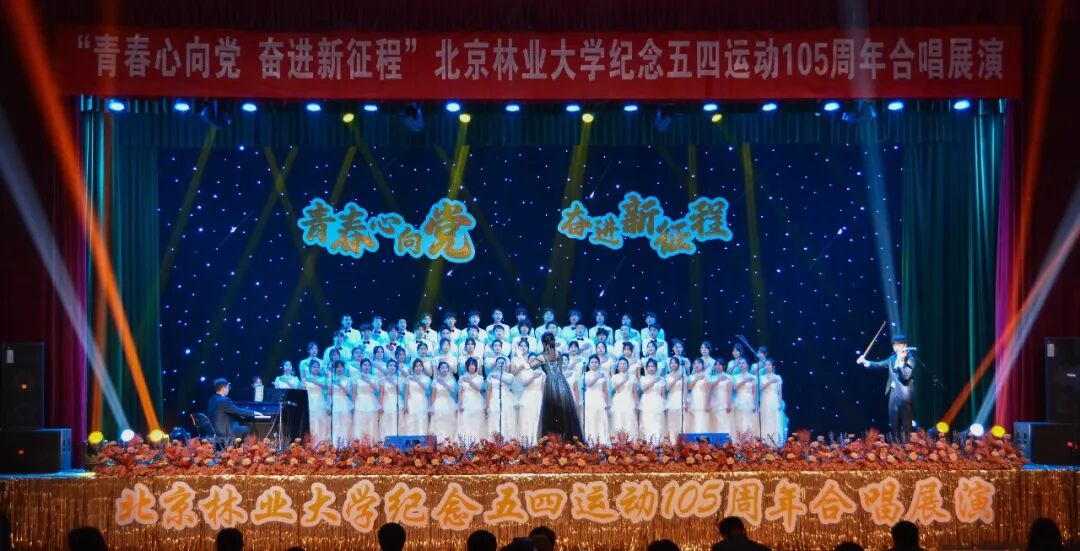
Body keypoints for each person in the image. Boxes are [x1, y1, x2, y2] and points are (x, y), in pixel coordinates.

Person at [857, 334, 916, 439]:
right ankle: (895, 445)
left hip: (904, 395)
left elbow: (906, 376)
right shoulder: (892, 358)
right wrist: (865, 362)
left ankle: (910, 446)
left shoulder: (910, 359)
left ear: (905, 345)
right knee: (894, 425)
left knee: (907, 426)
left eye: (899, 344)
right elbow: (879, 364)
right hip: (893, 394)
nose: (896, 347)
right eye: (895, 345)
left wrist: (901, 361)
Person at [533, 332, 586, 442]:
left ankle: (553, 441)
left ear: (543, 343)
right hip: (562, 384)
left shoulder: (542, 356)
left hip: (551, 385)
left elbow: (531, 366)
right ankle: (566, 440)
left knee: (552, 412)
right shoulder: (559, 354)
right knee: (564, 412)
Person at [517, 351, 547, 441]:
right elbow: (524, 384)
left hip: (538, 396)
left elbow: (543, 388)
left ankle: (536, 439)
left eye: (535, 360)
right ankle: (525, 439)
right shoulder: (525, 372)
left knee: (536, 417)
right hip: (528, 396)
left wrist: (543, 400)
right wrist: (533, 377)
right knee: (526, 418)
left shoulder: (542, 373)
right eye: (531, 360)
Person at [487, 356, 518, 439]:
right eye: (499, 363)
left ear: (505, 365)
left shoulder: (509, 375)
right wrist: (488, 404)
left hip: (506, 398)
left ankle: (507, 439)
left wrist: (498, 376)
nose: (501, 364)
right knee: (495, 418)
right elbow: (489, 390)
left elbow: (509, 382)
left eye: (503, 363)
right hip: (494, 398)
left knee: (506, 417)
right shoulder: (491, 375)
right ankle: (494, 440)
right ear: (496, 364)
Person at [582, 355, 610, 444]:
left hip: (600, 398)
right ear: (589, 364)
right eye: (592, 362)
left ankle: (602, 442)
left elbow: (605, 390)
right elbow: (588, 384)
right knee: (591, 419)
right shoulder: (585, 374)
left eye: (595, 362)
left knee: (600, 419)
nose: (594, 364)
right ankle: (591, 441)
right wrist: (598, 376)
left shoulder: (603, 375)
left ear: (598, 364)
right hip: (590, 398)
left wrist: (607, 403)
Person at [758, 359, 787, 445]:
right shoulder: (762, 377)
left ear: (773, 366)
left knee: (775, 420)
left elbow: (780, 392)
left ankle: (776, 442)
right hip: (765, 400)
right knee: (766, 419)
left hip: (774, 400)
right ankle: (766, 442)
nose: (767, 367)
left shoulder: (778, 377)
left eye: (769, 365)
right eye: (766, 365)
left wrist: (780, 403)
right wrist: (770, 381)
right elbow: (761, 388)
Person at [457, 357, 487, 442]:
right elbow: (460, 392)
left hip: (477, 401)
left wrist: (469, 381)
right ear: (467, 366)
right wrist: (460, 404)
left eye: (473, 365)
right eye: (470, 365)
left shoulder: (480, 377)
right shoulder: (462, 377)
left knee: (477, 421)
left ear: (476, 366)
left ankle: (477, 441)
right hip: (465, 400)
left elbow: (479, 388)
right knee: (465, 421)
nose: (472, 367)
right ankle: (465, 442)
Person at [609, 357, 638, 439]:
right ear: (618, 366)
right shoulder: (615, 377)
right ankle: (618, 440)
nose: (622, 365)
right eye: (620, 364)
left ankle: (630, 440)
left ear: (628, 365)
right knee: (618, 419)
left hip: (629, 400)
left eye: (624, 364)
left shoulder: (633, 377)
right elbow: (614, 388)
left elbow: (634, 391)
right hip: (618, 400)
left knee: (629, 420)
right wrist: (624, 380)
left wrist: (636, 402)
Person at [352, 360, 381, 442]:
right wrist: (353, 404)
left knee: (371, 421)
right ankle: (360, 442)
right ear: (361, 366)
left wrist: (369, 381)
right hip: (359, 401)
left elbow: (378, 389)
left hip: (371, 401)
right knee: (360, 422)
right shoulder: (356, 378)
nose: (367, 367)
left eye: (368, 365)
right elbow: (354, 393)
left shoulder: (374, 377)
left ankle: (372, 442)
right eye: (365, 365)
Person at [638, 359, 666, 443]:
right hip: (647, 401)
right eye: (649, 366)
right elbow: (643, 389)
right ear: (646, 368)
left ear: (656, 368)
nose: (651, 368)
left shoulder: (661, 379)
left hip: (658, 401)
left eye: (653, 366)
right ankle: (648, 441)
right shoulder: (643, 378)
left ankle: (657, 442)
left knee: (657, 422)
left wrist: (664, 404)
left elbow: (663, 393)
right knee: (647, 421)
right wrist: (653, 381)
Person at [731, 359, 759, 441]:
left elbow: (754, 392)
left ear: (747, 365)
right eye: (740, 363)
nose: (741, 364)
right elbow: (734, 388)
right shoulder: (735, 377)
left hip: (749, 400)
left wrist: (754, 404)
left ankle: (749, 440)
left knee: (749, 420)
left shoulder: (753, 377)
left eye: (743, 363)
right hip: (739, 399)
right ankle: (740, 440)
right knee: (739, 419)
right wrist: (744, 381)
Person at [430, 361, 458, 441]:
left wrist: (443, 383)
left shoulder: (451, 380)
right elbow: (433, 395)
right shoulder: (435, 381)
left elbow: (452, 390)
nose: (444, 369)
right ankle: (438, 441)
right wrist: (432, 407)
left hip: (448, 403)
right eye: (442, 368)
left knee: (448, 422)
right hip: (438, 403)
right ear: (439, 370)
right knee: (438, 422)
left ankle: (449, 440)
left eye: (446, 368)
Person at [404, 360, 431, 436]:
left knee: (421, 419)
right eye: (416, 366)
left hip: (422, 400)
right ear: (413, 368)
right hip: (411, 401)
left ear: (422, 367)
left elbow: (426, 389)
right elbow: (406, 392)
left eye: (420, 366)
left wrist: (417, 380)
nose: (418, 368)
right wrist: (405, 405)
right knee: (411, 419)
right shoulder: (408, 378)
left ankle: (422, 438)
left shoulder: (426, 378)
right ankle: (410, 438)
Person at [304, 363, 330, 442]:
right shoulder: (305, 379)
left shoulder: (322, 379)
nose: (316, 369)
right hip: (309, 401)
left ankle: (321, 441)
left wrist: (313, 380)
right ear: (310, 368)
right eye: (314, 367)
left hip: (319, 401)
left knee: (320, 420)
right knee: (311, 420)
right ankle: (311, 441)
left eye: (318, 367)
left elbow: (325, 386)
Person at [378, 360, 403, 440]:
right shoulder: (382, 379)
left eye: (394, 366)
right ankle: (385, 440)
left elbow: (400, 392)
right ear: (387, 367)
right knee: (386, 420)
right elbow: (381, 393)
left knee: (395, 420)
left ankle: (396, 440)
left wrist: (393, 383)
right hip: (386, 401)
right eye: (390, 365)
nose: (392, 367)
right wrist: (380, 405)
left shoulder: (399, 379)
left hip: (396, 400)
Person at [664, 357, 687, 443]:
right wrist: (676, 379)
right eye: (671, 363)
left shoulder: (683, 375)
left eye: (675, 363)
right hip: (671, 398)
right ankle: (672, 441)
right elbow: (667, 388)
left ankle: (682, 441)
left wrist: (685, 402)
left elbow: (685, 389)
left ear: (678, 364)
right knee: (672, 420)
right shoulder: (667, 376)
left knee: (681, 420)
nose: (673, 364)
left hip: (680, 398)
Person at [709, 361, 735, 435]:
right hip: (714, 401)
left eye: (720, 364)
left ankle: (726, 438)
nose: (718, 366)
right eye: (716, 365)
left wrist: (729, 404)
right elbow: (709, 388)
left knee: (725, 420)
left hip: (724, 400)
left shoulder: (728, 377)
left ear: (724, 366)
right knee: (715, 421)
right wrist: (719, 380)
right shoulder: (712, 377)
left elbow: (730, 391)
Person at [687, 358, 712, 433]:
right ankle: (695, 436)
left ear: (702, 365)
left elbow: (708, 391)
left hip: (703, 399)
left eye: (698, 363)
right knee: (694, 418)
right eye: (694, 364)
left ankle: (703, 436)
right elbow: (689, 388)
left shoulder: (706, 376)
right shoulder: (691, 377)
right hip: (693, 399)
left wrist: (707, 403)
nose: (696, 365)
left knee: (702, 418)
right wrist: (696, 379)